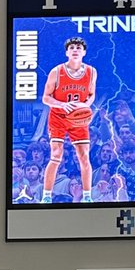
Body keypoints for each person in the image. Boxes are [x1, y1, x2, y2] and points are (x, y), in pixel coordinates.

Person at [40, 37, 96, 204]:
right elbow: (45, 98)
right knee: (56, 155)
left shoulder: (91, 72)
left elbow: (92, 95)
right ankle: (46, 196)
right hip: (58, 116)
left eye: (79, 47)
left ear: (84, 52)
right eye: (72, 47)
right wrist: (62, 105)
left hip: (77, 119)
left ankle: (87, 196)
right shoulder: (56, 71)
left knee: (84, 156)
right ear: (67, 52)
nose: (75, 49)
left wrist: (84, 106)